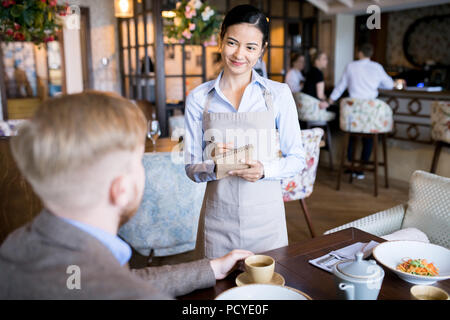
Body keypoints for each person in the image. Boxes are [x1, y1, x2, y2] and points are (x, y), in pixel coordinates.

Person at [0, 91, 253, 299]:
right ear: (120, 189)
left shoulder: (16, 245)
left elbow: (108, 280)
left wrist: (212, 268)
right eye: (137, 162)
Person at [184, 5, 306, 259]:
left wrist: (264, 170)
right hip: (218, 220)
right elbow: (190, 167)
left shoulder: (278, 94)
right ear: (220, 41)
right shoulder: (199, 98)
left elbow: (297, 158)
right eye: (232, 42)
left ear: (262, 51)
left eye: (251, 47)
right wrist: (214, 166)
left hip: (266, 221)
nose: (240, 54)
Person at [328, 43, 394, 179]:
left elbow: (340, 87)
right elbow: (390, 85)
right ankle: (361, 169)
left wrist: (330, 100)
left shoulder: (351, 66)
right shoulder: (377, 67)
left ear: (359, 53)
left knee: (352, 136)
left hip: (352, 115)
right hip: (370, 116)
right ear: (371, 54)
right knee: (369, 138)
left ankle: (351, 165)